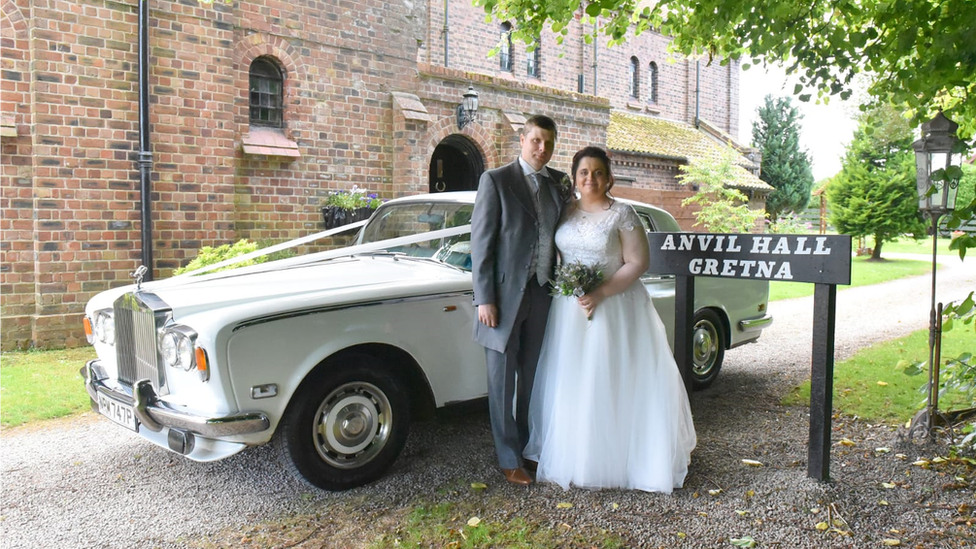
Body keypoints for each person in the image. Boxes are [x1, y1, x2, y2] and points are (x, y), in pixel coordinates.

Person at [524, 146, 697, 493]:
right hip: (569, 309)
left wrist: (600, 292)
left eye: (598, 172)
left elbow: (637, 262)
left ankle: (620, 459)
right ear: (574, 178)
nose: (591, 178)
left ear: (610, 177)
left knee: (611, 377)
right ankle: (576, 455)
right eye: (584, 172)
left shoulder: (622, 213)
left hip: (615, 304)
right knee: (572, 378)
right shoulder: (566, 210)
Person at [470, 115, 569, 486]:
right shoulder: (496, 180)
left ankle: (528, 448)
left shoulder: (559, 183)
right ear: (523, 140)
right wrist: (484, 298)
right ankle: (508, 457)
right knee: (502, 382)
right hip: (503, 297)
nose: (543, 149)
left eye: (549, 143)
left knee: (532, 376)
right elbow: (481, 244)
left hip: (543, 292)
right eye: (537, 141)